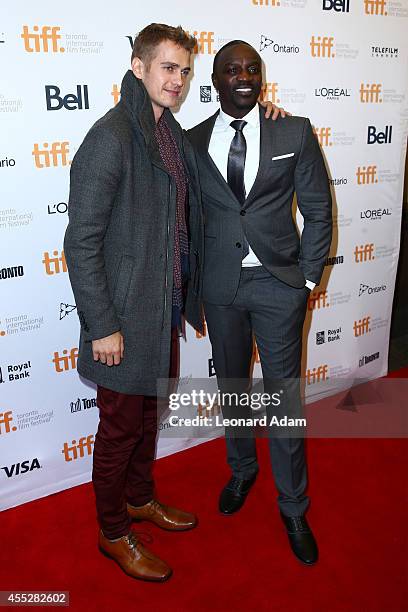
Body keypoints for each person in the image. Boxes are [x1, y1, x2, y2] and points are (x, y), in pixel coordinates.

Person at [64, 24, 204, 582]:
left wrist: (263, 110)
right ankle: (113, 531)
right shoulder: (112, 136)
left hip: (159, 308)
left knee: (148, 418)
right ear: (139, 66)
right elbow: (81, 240)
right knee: (120, 431)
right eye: (168, 68)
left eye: (185, 71)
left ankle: (142, 500)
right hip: (120, 318)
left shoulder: (165, 131)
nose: (178, 80)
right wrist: (102, 324)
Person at [187, 40, 332, 565]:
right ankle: (242, 468)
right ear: (217, 80)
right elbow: (187, 219)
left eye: (252, 68)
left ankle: (294, 505)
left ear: (262, 78)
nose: (243, 76)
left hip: (278, 287)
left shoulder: (293, 130)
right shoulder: (192, 139)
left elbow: (318, 209)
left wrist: (307, 279)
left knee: (283, 400)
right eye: (232, 69)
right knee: (233, 388)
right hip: (222, 289)